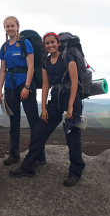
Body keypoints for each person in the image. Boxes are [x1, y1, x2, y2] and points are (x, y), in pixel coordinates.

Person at [9, 32, 85, 186]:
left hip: (70, 99)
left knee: (72, 136)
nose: (50, 45)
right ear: (45, 46)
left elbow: (75, 83)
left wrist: (70, 106)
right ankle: (28, 166)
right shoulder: (45, 63)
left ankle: (75, 171)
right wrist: (43, 108)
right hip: (55, 100)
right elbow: (45, 86)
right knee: (38, 132)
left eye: (52, 42)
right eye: (47, 43)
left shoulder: (68, 59)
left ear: (58, 43)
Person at [0, 16, 44, 166]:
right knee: (14, 121)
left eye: (12, 26)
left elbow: (30, 66)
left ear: (18, 27)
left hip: (24, 84)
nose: (10, 28)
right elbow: (2, 69)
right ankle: (14, 154)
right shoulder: (4, 47)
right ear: (4, 28)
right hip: (10, 87)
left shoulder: (25, 43)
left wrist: (27, 86)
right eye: (7, 26)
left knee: (33, 120)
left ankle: (39, 155)